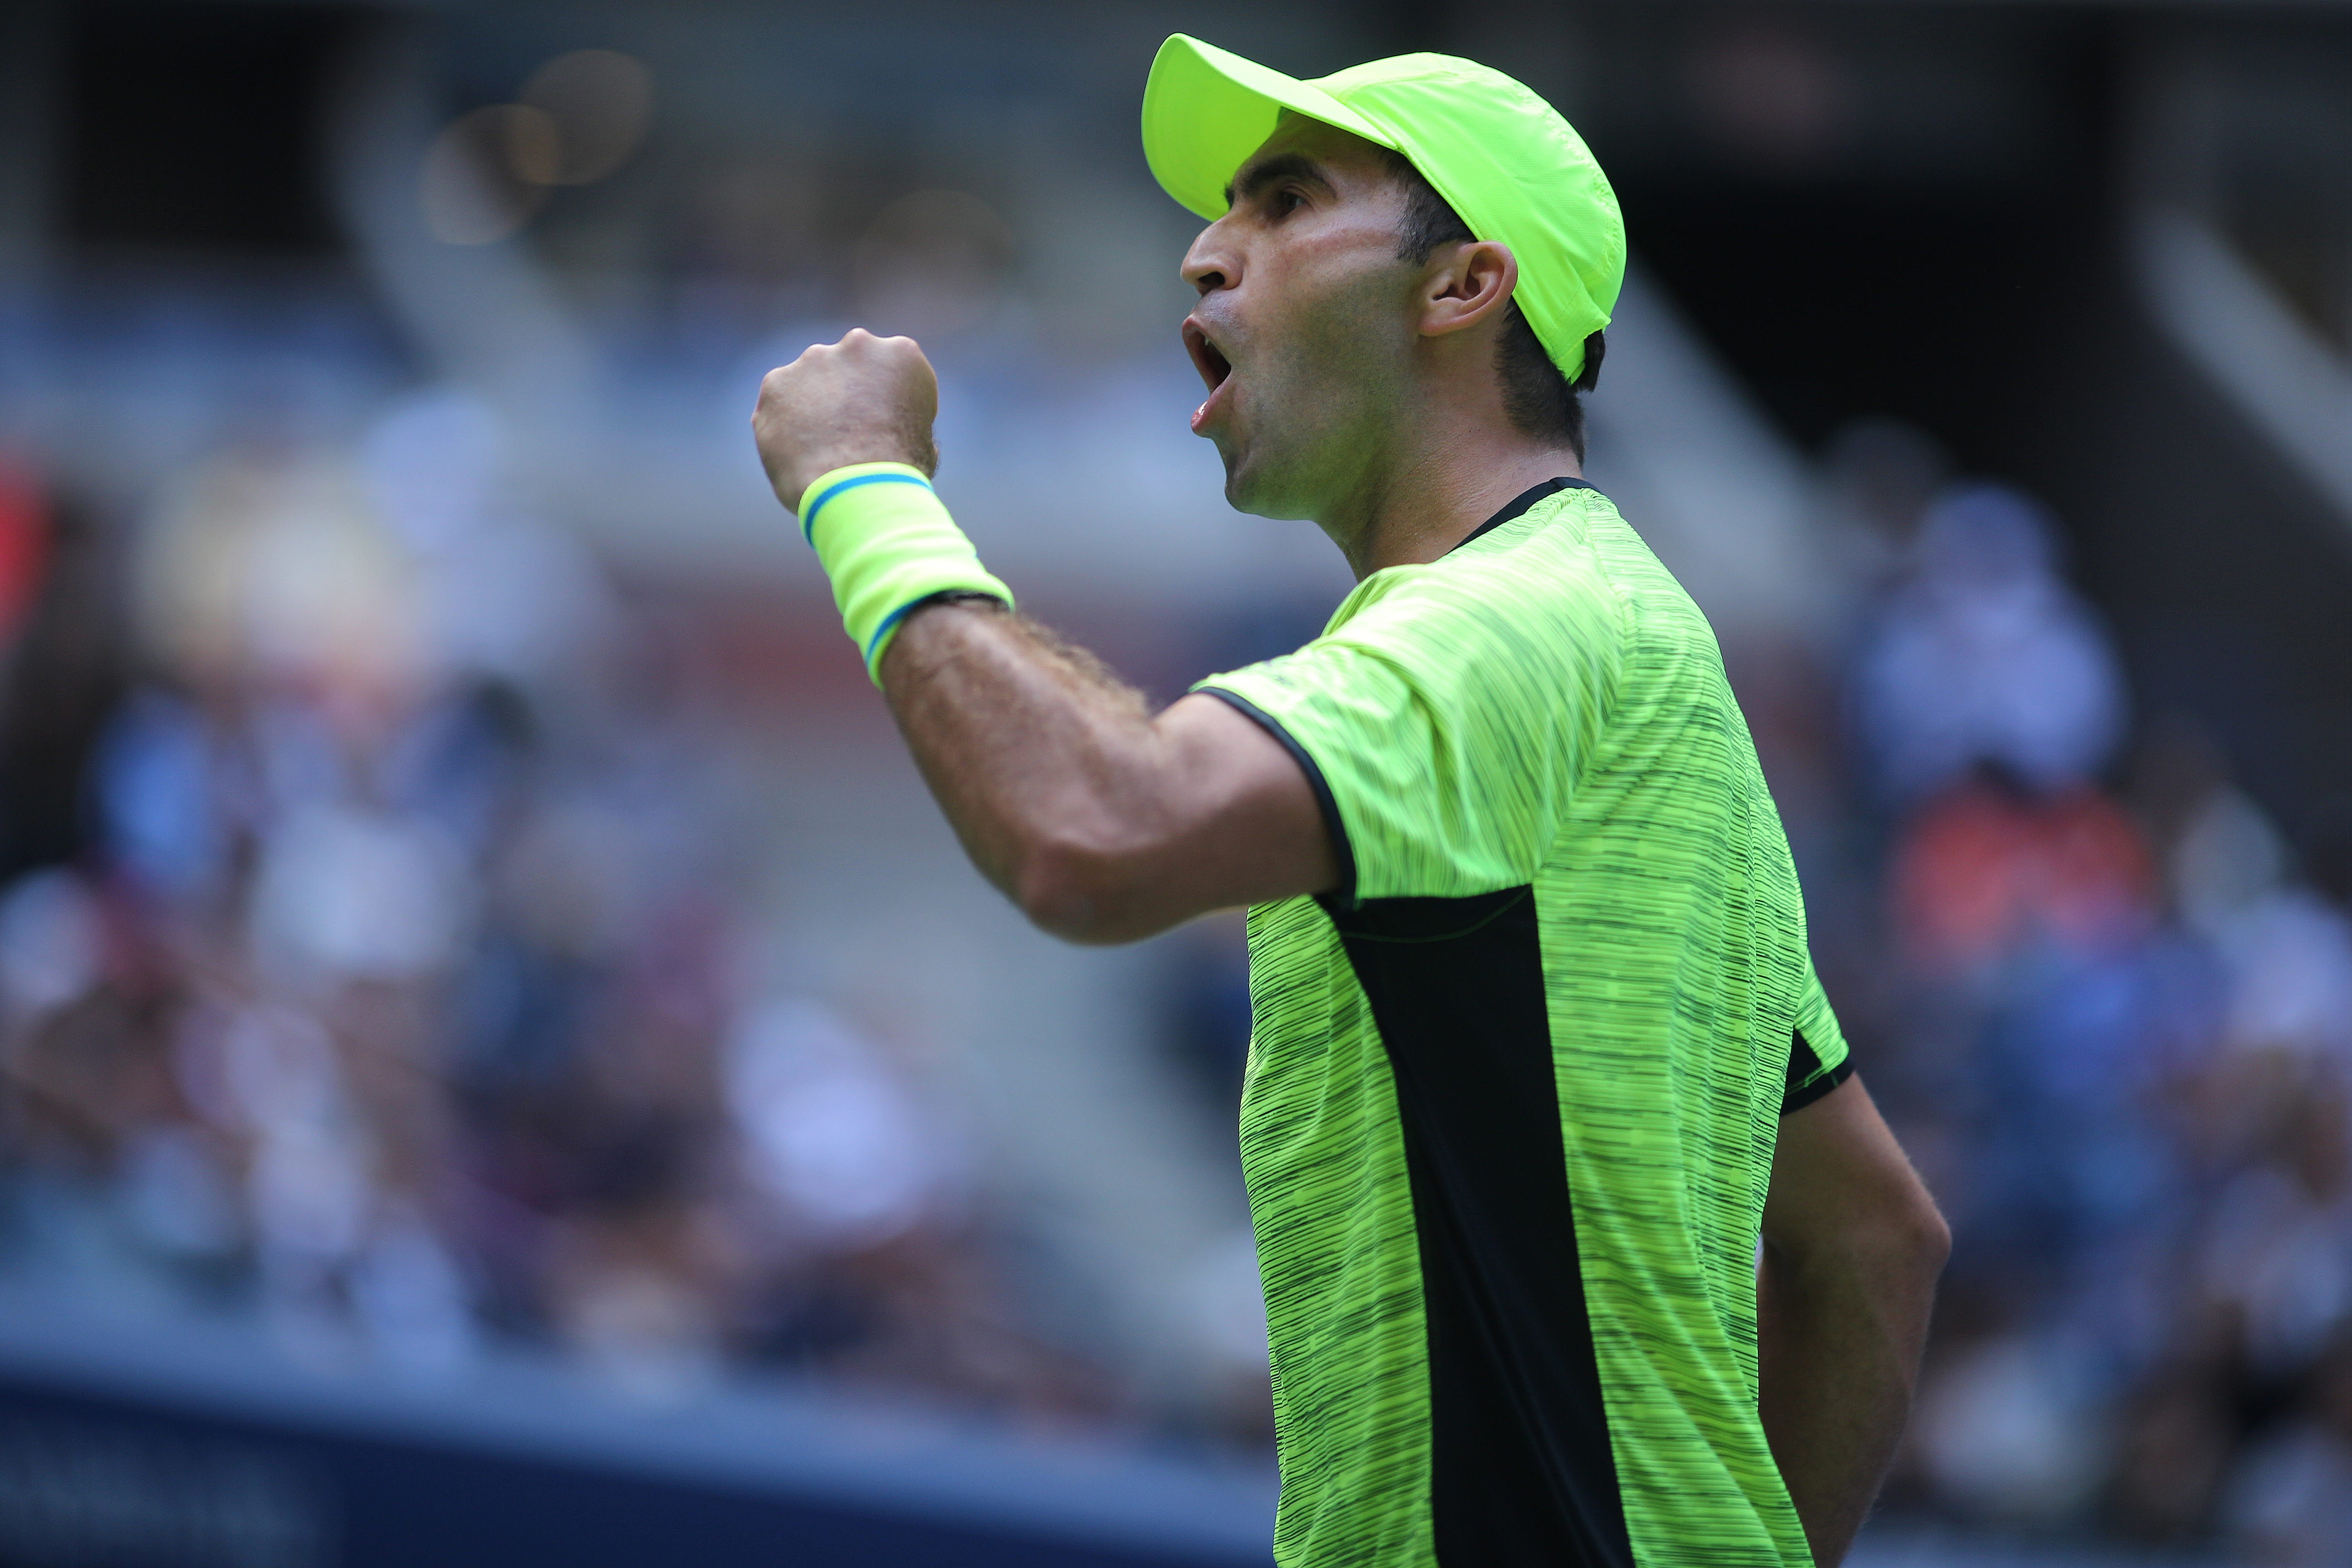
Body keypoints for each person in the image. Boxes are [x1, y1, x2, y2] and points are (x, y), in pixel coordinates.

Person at [751, 34, 1948, 1568]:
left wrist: (866, 485)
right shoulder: (1615, 637)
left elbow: (1092, 832)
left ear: (1463, 288)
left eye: (1286, 197)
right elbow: (1879, 1241)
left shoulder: (1512, 629)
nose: (1200, 252)